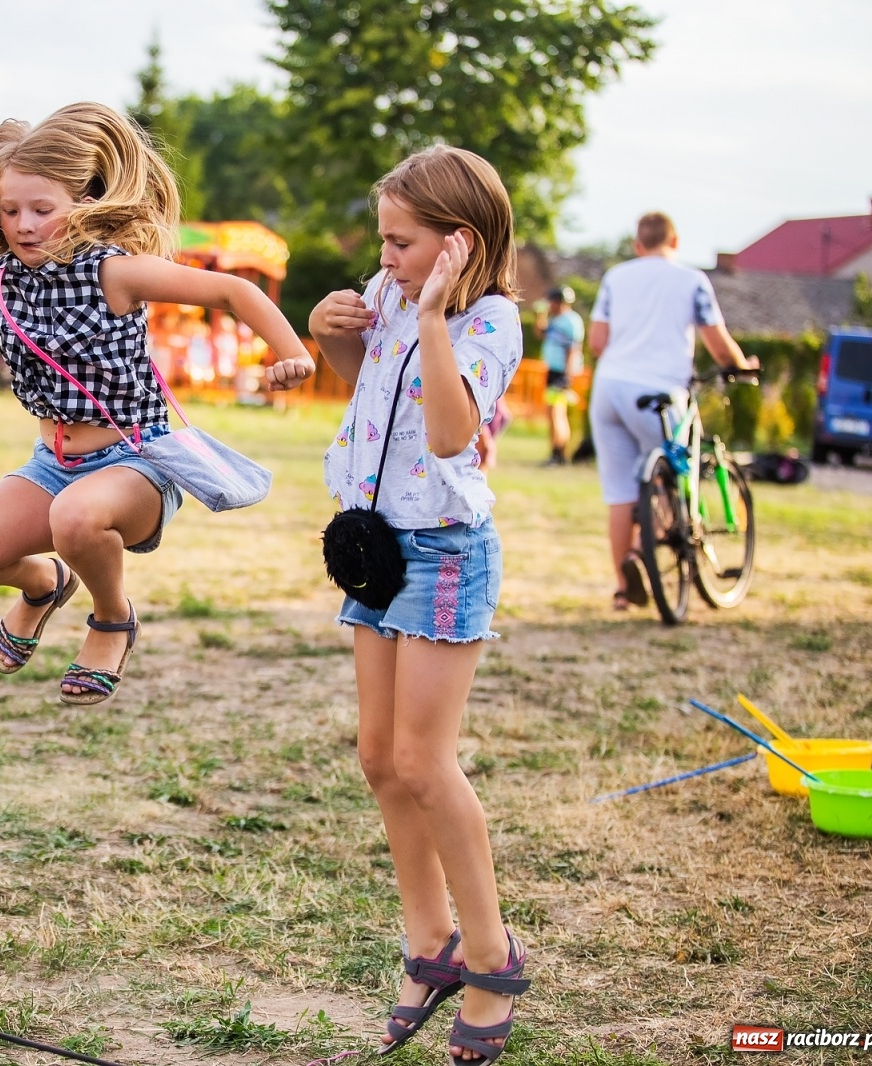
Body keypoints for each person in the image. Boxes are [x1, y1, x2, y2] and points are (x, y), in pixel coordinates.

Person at [0, 102, 313, 704]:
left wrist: (287, 351)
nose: (24, 224)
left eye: (43, 209)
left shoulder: (114, 272)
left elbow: (231, 290)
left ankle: (113, 617)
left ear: (85, 204)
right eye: (10, 210)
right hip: (52, 465)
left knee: (75, 516)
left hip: (136, 462)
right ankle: (44, 583)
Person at [308, 145, 528, 1065]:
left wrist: (433, 315)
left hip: (443, 551)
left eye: (400, 243)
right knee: (377, 757)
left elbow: (445, 432)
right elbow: (365, 388)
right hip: (375, 541)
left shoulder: (491, 323)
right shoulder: (391, 292)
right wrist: (332, 334)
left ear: (456, 244)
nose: (384, 258)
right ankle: (428, 941)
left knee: (425, 761)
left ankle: (491, 956)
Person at [586, 212, 756, 611]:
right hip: (661, 390)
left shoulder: (616, 277)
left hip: (609, 390)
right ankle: (654, 548)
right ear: (675, 241)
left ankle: (624, 586)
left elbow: (596, 341)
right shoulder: (692, 280)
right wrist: (743, 366)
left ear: (637, 244)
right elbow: (718, 344)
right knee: (666, 479)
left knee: (620, 494)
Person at [535, 285, 585, 465]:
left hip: (561, 372)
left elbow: (573, 349)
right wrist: (540, 317)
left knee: (557, 413)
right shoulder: (556, 320)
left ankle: (559, 454)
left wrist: (567, 376)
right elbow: (542, 334)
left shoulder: (571, 321)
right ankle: (556, 452)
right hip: (553, 370)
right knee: (552, 413)